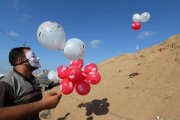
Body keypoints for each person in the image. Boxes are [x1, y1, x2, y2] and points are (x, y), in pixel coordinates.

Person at [0, 47, 62, 120]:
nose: (38, 58)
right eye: (33, 56)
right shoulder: (6, 84)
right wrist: (43, 104)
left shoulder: (33, 79)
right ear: (21, 60)